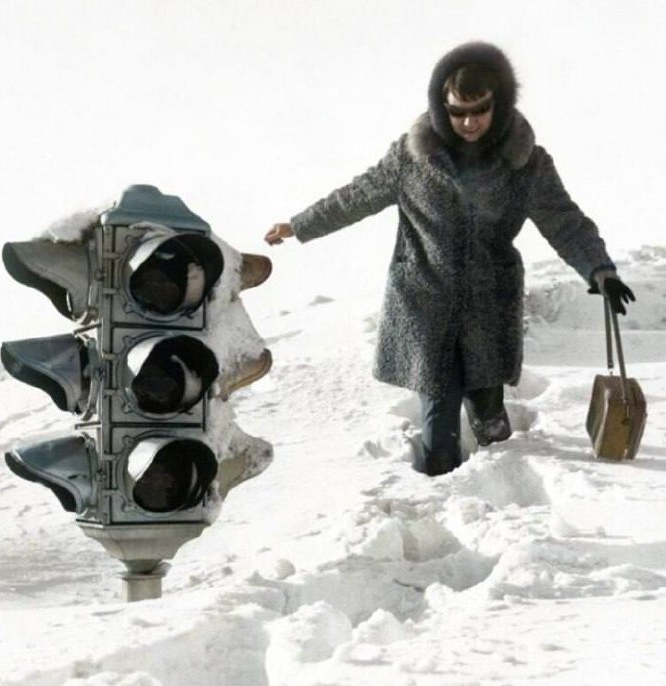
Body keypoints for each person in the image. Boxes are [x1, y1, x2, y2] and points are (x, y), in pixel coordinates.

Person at [264, 41, 635, 477]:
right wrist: (298, 225)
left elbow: (565, 221)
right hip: (426, 309)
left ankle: (501, 480)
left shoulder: (525, 162)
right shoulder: (412, 156)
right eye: (458, 112)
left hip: (488, 311)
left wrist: (600, 270)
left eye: (480, 110)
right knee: (438, 427)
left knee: (490, 418)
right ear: (442, 107)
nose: (469, 122)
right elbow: (357, 196)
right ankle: (438, 483)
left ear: (499, 103)